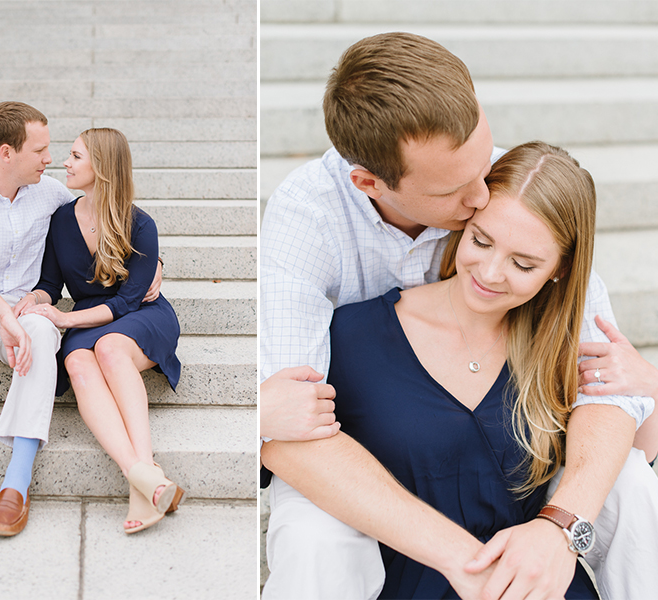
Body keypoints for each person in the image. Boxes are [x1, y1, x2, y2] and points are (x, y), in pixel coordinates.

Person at [260, 33, 658, 599]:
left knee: (630, 484)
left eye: (484, 161)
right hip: (361, 441)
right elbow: (289, 421)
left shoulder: (500, 180)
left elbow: (606, 392)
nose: (482, 194)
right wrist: (471, 566)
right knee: (313, 541)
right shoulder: (307, 220)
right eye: (456, 192)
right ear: (371, 183)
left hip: (502, 426)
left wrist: (558, 525)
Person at [328, 141, 601, 598]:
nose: (491, 273)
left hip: (542, 584)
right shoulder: (353, 337)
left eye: (523, 263)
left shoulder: (560, 350)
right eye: (481, 240)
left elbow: (636, 463)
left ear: (560, 269)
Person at [0, 102, 163, 538]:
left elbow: (108, 215)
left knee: (41, 327)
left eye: (57, 152)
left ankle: (17, 479)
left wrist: (155, 262)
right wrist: (0, 312)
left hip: (21, 317)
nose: (51, 160)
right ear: (7, 153)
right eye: (41, 150)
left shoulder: (51, 195)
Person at [20, 128, 183, 533]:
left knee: (110, 349)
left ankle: (142, 465)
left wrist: (65, 319)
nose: (65, 163)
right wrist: (35, 301)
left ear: (102, 166)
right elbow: (50, 284)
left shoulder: (140, 224)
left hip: (141, 316)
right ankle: (144, 477)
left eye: (75, 156)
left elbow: (128, 301)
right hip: (88, 316)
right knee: (76, 360)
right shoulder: (61, 218)